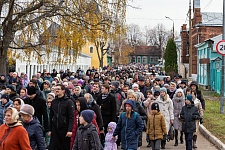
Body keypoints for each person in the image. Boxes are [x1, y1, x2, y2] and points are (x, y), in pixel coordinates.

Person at [49, 84, 74, 150]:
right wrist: (50, 129)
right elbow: (51, 115)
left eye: (58, 89)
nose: (56, 90)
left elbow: (71, 117)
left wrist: (69, 130)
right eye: (56, 89)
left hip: (64, 129)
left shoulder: (69, 102)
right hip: (55, 129)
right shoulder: (54, 102)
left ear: (63, 91)